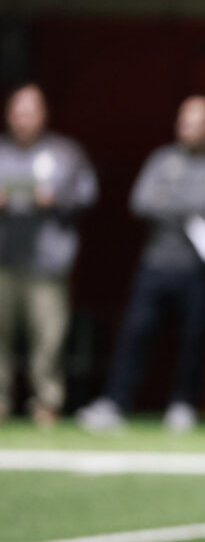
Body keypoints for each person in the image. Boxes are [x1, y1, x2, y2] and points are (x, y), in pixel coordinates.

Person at [77, 95, 205, 433]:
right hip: (154, 263)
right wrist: (184, 204)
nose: (187, 129)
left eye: (196, 122)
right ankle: (115, 402)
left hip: (197, 267)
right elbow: (140, 201)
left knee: (194, 340)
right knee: (135, 333)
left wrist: (170, 197)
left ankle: (183, 404)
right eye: (184, 121)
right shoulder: (162, 158)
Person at [0, 83, 97, 426]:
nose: (24, 119)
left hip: (48, 262)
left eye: (31, 111)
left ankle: (46, 403)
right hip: (3, 259)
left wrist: (56, 199)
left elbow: (88, 194)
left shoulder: (66, 153)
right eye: (18, 111)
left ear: (44, 114)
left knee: (49, 338)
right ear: (9, 113)